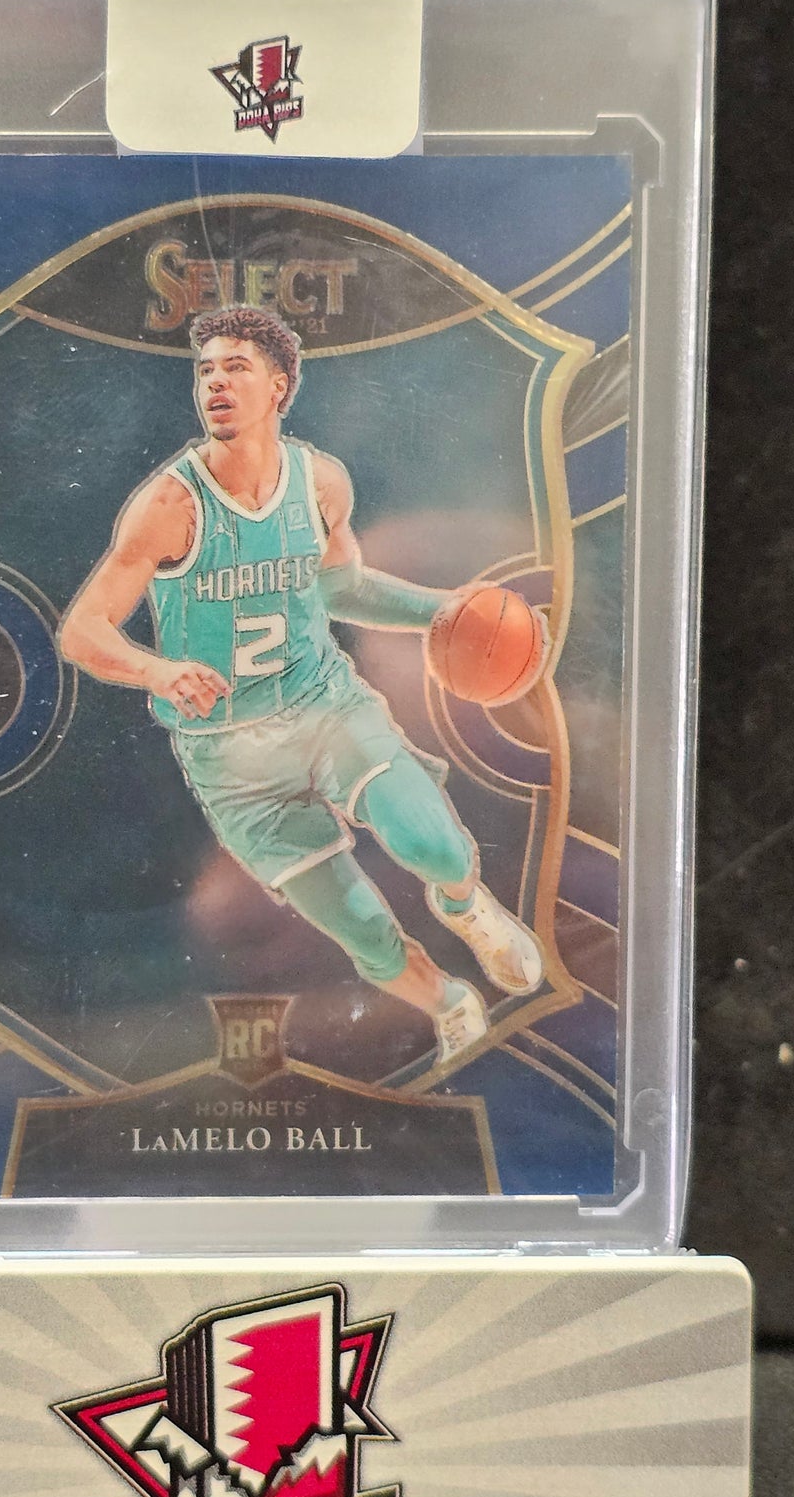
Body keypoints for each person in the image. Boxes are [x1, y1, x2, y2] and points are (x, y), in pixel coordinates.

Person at [58, 304, 544, 1062]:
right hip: (231, 756)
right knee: (363, 932)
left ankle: (466, 909)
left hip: (324, 708)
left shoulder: (319, 481)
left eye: (236, 368)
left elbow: (340, 588)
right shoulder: (169, 505)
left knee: (435, 847)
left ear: (279, 385)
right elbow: (82, 630)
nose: (216, 383)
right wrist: (158, 668)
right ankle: (450, 1002)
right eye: (206, 371)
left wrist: (440, 610)